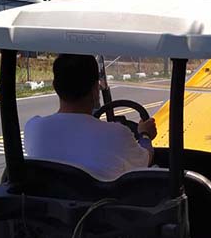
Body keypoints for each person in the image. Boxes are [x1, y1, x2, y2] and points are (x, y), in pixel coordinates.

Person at [24, 54, 157, 180]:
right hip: (101, 203)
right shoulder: (117, 134)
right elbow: (145, 160)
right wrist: (145, 134)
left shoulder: (33, 128)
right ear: (95, 90)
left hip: (50, 203)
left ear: (55, 87)